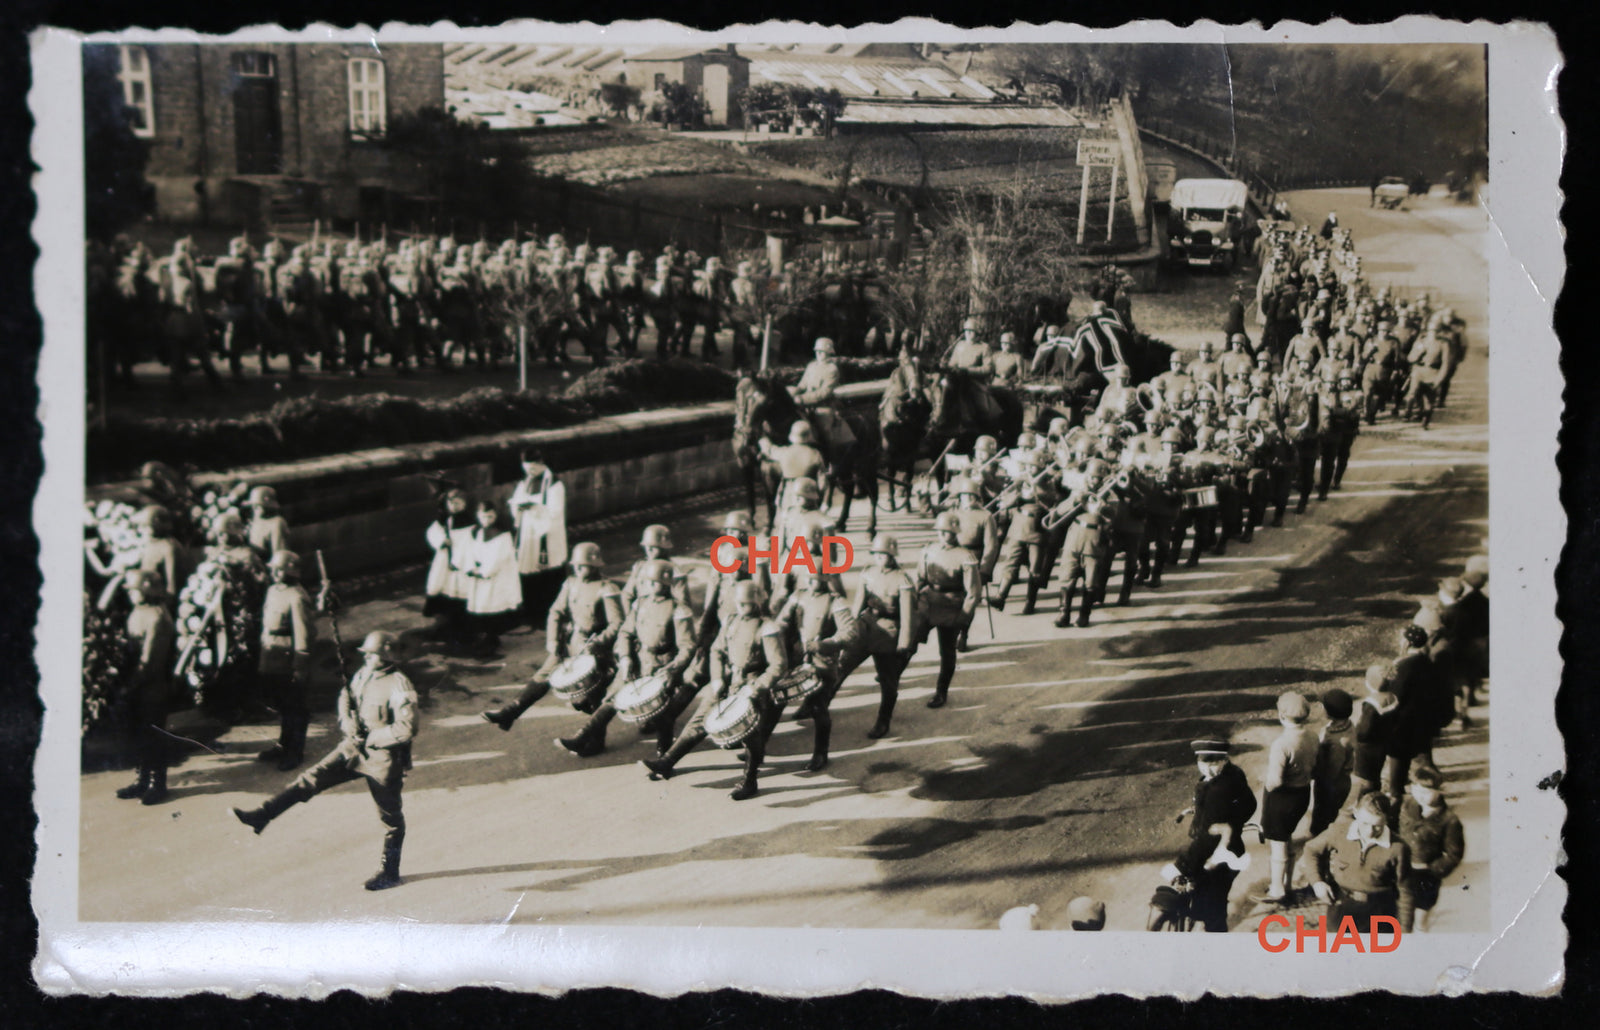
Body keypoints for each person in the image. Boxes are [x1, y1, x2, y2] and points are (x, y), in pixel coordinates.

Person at [233, 630, 418, 891]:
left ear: (387, 654)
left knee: (391, 819)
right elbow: (345, 697)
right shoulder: (363, 674)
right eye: (365, 654)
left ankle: (390, 873)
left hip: (383, 758)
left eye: (372, 654)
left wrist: (372, 737)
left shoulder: (399, 684)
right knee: (311, 778)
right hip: (351, 748)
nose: (366, 658)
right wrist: (347, 722)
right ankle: (263, 815)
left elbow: (407, 728)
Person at [643, 580, 787, 800]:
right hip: (729, 681)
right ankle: (667, 761)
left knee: (750, 734)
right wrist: (718, 678)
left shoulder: (767, 628)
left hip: (751, 685)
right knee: (699, 721)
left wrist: (756, 688)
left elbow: (778, 665)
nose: (741, 607)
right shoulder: (731, 621)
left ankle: (749, 781)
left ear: (757, 602)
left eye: (746, 604)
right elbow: (717, 650)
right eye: (739, 603)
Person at [556, 559, 696, 758]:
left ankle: (664, 753)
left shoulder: (679, 610)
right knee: (612, 698)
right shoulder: (641, 604)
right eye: (647, 582)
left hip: (662, 665)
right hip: (638, 661)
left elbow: (687, 646)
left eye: (655, 582)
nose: (649, 585)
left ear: (666, 584)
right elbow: (625, 633)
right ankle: (583, 735)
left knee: (661, 711)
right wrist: (626, 657)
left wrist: (673, 669)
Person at [481, 542, 623, 730]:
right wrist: (553, 640)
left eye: (583, 565)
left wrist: (599, 642)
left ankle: (596, 737)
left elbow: (617, 623)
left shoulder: (607, 588)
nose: (578, 569)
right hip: (570, 641)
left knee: (592, 693)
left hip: (592, 647)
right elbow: (556, 612)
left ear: (595, 565)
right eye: (576, 565)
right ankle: (509, 713)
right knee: (544, 674)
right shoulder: (571, 584)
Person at [1168, 738, 1257, 933]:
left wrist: (1182, 865)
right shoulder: (1234, 773)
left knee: (1213, 911)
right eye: (1203, 763)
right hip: (1232, 847)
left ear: (1224, 760)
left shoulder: (1217, 790)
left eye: (1214, 763)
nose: (1208, 769)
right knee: (1207, 897)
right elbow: (1250, 804)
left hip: (1218, 856)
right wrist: (1233, 820)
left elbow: (1207, 840)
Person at [1296, 793, 1409, 933]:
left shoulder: (1398, 848)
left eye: (1377, 826)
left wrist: (1406, 931)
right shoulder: (1340, 831)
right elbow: (1311, 850)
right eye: (1365, 823)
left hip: (1380, 911)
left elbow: (1405, 891)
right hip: (1342, 906)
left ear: (1386, 820)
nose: (1369, 832)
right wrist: (1317, 882)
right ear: (1356, 813)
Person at [113, 570, 177, 806]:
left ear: (147, 590)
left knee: (153, 735)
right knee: (138, 734)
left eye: (135, 590)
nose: (131, 594)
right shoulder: (138, 612)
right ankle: (142, 780)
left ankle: (157, 784)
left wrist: (129, 686)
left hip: (152, 687)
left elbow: (150, 662)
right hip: (136, 684)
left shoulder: (158, 617)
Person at [1256, 691, 1319, 903]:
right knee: (1288, 838)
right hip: (1302, 794)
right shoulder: (1312, 736)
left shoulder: (1282, 744)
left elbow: (1275, 781)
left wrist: (1266, 783)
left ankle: (1277, 889)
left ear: (1281, 715)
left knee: (1278, 844)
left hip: (1282, 798)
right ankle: (1288, 884)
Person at [256, 551, 317, 772]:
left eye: (279, 569)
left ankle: (295, 752)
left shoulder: (297, 597)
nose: (274, 573)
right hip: (271, 658)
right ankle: (283, 745)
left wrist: (300, 666)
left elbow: (303, 634)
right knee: (282, 705)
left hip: (287, 661)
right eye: (273, 569)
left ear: (291, 571)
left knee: (295, 708)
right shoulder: (273, 591)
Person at [917, 512, 980, 710]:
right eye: (941, 531)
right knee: (908, 643)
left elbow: (973, 593)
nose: (944, 535)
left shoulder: (965, 557)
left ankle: (941, 692)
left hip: (951, 607)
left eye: (949, 532)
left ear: (955, 532)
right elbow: (920, 579)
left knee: (947, 652)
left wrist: (963, 617)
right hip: (928, 603)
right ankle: (891, 676)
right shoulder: (929, 550)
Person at [1397, 765, 1465, 932]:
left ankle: (1421, 936)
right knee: (1401, 916)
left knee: (1421, 916)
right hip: (1400, 870)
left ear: (1440, 791)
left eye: (1426, 792)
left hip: (1426, 876)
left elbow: (1454, 854)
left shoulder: (1449, 820)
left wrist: (1434, 870)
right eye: (1416, 790)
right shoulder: (1405, 806)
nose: (1420, 796)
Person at [508, 451, 569, 628]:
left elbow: (555, 511)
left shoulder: (554, 484)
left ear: (542, 463)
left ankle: (549, 614)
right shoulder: (525, 482)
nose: (530, 472)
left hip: (547, 536)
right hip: (528, 533)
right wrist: (518, 507)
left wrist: (535, 508)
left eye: (533, 468)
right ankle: (531, 611)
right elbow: (516, 502)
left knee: (548, 573)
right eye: (527, 469)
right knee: (528, 569)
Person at [462, 501, 522, 657]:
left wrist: (484, 572)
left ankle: (491, 638)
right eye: (484, 516)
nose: (487, 520)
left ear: (496, 516)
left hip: (495, 577)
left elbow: (498, 558)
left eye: (490, 516)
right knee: (479, 607)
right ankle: (483, 636)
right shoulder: (474, 532)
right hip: (477, 576)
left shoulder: (502, 535)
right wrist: (470, 567)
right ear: (478, 516)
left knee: (492, 608)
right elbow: (467, 551)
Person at [423, 488, 474, 646]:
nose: (455, 506)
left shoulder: (471, 522)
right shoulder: (444, 520)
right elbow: (432, 532)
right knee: (442, 590)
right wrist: (442, 541)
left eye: (458, 503)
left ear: (465, 504)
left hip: (464, 559)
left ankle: (463, 630)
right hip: (446, 561)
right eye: (451, 503)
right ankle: (443, 626)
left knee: (462, 594)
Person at [789, 337, 855, 451]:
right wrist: (794, 391)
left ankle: (830, 454)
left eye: (822, 351)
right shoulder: (811, 365)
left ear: (829, 353)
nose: (818, 353)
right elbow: (803, 384)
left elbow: (824, 392)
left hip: (822, 406)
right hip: (804, 405)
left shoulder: (832, 369)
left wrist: (802, 398)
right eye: (817, 351)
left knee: (825, 432)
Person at [1310, 688, 1355, 838]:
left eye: (1323, 706)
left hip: (1332, 784)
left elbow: (1333, 769)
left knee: (1324, 815)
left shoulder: (1337, 741)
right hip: (1340, 781)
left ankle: (1321, 839)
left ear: (1330, 712)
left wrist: (1318, 776)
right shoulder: (1347, 726)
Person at [246, 486, 291, 564]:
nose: (255, 509)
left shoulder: (277, 523)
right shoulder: (254, 522)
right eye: (254, 506)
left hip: (267, 565)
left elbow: (278, 554)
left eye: (258, 505)